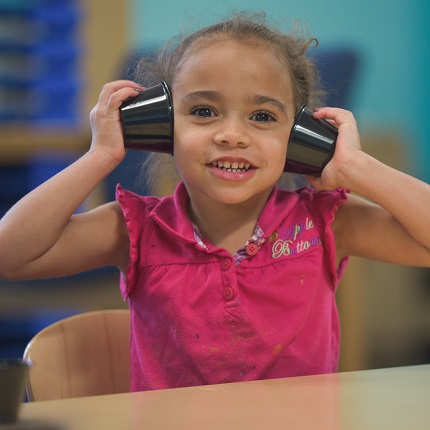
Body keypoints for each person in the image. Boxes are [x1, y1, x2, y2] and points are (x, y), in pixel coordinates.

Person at [0, 12, 429, 392]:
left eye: (262, 117)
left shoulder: (324, 223)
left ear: (298, 138)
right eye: (204, 111)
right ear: (161, 129)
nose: (231, 135)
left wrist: (357, 168)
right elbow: (10, 255)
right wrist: (100, 157)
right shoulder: (136, 229)